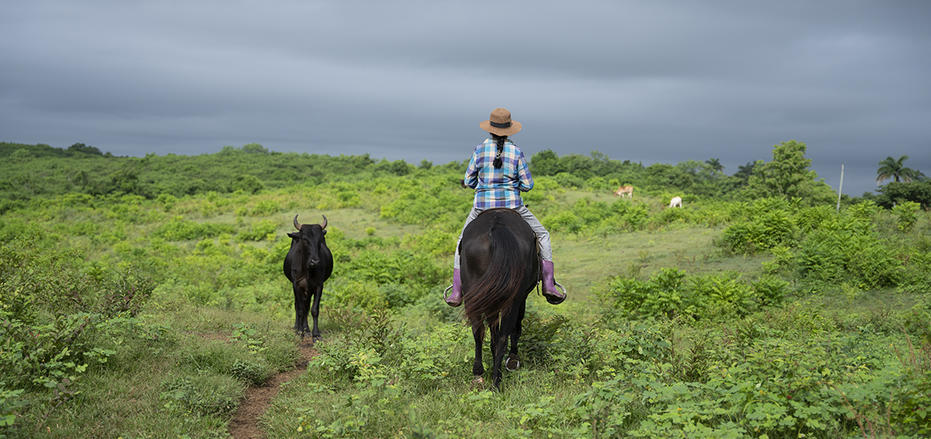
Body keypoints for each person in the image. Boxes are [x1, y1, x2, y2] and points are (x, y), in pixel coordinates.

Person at [445, 107, 566, 307]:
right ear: (509, 129)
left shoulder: (479, 150)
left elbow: (468, 179)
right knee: (543, 235)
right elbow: (528, 185)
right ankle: (548, 284)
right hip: (513, 206)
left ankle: (457, 291)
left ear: (490, 128)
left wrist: (483, 186)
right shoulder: (516, 152)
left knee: (461, 241)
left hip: (482, 207)